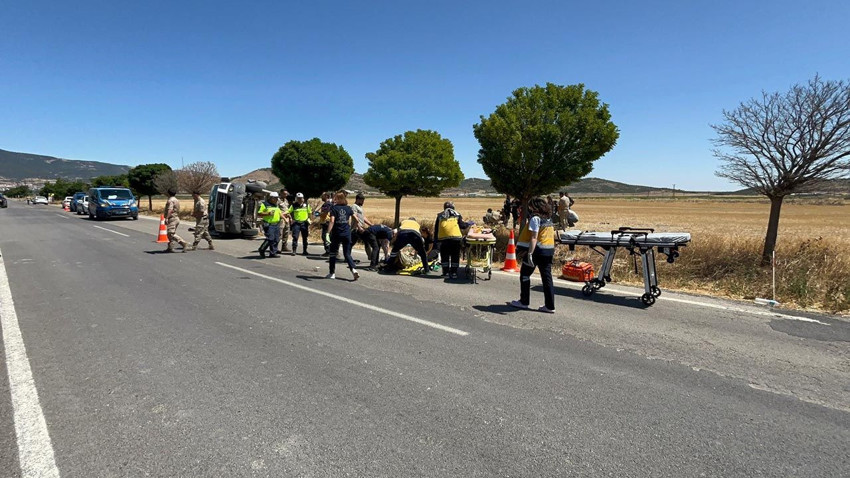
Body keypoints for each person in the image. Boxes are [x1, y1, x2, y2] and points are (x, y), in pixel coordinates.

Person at [510, 197, 556, 313]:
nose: (529, 208)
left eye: (530, 206)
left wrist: (530, 253)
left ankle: (524, 301)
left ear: (534, 207)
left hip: (537, 252)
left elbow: (534, 237)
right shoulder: (549, 219)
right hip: (548, 251)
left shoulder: (535, 219)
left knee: (525, 274)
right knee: (547, 279)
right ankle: (550, 306)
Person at [434, 201, 472, 279]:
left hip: (443, 240)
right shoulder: (457, 215)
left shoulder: (440, 216)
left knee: (445, 256)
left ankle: (446, 273)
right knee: (455, 256)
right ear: (453, 207)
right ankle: (454, 273)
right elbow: (462, 226)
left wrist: (436, 241)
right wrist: (469, 224)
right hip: (456, 239)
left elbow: (436, 229)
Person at [326, 191, 359, 281]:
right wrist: (352, 229)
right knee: (347, 253)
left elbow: (332, 221)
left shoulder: (334, 209)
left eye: (335, 198)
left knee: (333, 253)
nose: (334, 199)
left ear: (339, 199)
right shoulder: (348, 208)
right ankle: (353, 269)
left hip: (337, 234)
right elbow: (356, 219)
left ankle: (332, 273)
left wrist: (328, 233)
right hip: (347, 233)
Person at [257, 192, 283, 258]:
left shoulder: (275, 205)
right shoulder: (265, 204)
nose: (277, 200)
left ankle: (273, 253)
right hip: (269, 224)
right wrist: (267, 213)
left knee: (276, 239)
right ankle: (262, 249)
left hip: (276, 224)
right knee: (270, 238)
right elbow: (259, 213)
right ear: (271, 198)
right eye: (276, 198)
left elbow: (279, 213)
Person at [349, 193, 372, 257]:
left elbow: (363, 217)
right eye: (362, 201)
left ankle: (347, 256)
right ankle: (371, 257)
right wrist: (358, 227)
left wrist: (371, 224)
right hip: (356, 228)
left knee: (351, 243)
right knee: (366, 240)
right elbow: (355, 217)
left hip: (359, 227)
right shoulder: (354, 206)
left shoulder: (360, 207)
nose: (363, 202)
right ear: (358, 199)